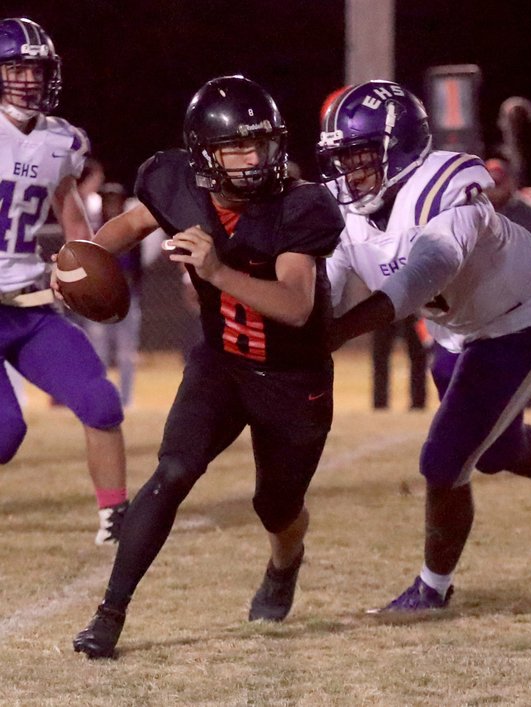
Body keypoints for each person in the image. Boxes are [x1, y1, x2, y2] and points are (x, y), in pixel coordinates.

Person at [319, 80, 531, 613]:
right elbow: (323, 288)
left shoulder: (447, 188)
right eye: (342, 159)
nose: (348, 173)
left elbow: (423, 274)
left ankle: (432, 588)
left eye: (360, 157)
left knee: (443, 459)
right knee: (494, 451)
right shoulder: (341, 208)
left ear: (399, 149)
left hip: (519, 314)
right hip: (455, 327)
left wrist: (337, 332)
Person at [72, 75, 342, 659]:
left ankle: (283, 563)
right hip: (222, 363)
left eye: (259, 144)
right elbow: (131, 224)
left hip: (293, 382)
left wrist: (218, 272)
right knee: (172, 471)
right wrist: (81, 262)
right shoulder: (175, 185)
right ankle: (109, 613)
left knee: (275, 506)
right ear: (204, 156)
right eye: (235, 148)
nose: (251, 160)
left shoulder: (300, 206)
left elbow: (296, 306)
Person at [0, 17, 128, 545]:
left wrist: (77, 267)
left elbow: (74, 220)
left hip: (30, 302)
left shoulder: (62, 141)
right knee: (6, 434)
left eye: (35, 69)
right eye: (15, 68)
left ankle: (117, 518)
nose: (28, 80)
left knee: (100, 401)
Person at [82, 182, 144, 408]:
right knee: (98, 352)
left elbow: (138, 268)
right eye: (107, 200)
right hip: (99, 301)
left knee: (127, 354)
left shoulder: (132, 231)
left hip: (128, 299)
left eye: (115, 200)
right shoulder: (95, 230)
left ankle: (126, 401)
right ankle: (102, 398)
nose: (111, 204)